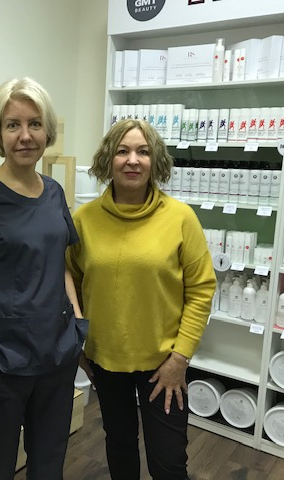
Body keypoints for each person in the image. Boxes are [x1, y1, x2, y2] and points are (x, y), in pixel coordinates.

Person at [0, 77, 87, 480]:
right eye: (13, 125)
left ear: (47, 131)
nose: (25, 135)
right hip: (2, 359)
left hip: (58, 354)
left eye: (34, 124)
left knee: (49, 466)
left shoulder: (54, 192)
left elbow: (60, 263)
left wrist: (77, 323)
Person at [66, 119, 216, 480]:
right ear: (108, 160)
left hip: (164, 364)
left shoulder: (180, 218)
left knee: (168, 462)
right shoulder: (84, 220)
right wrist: (79, 343)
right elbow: (71, 281)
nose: (132, 160)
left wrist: (180, 358)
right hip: (105, 361)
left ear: (155, 161)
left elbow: (201, 289)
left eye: (143, 152)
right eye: (123, 151)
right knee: (119, 446)